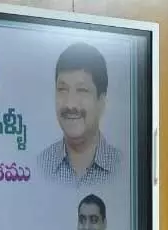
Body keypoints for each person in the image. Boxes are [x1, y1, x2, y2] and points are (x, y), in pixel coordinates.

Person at [38, 42, 120, 187]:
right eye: (62, 90)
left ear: (101, 101)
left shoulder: (121, 166)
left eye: (82, 90)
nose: (70, 104)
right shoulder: (40, 165)